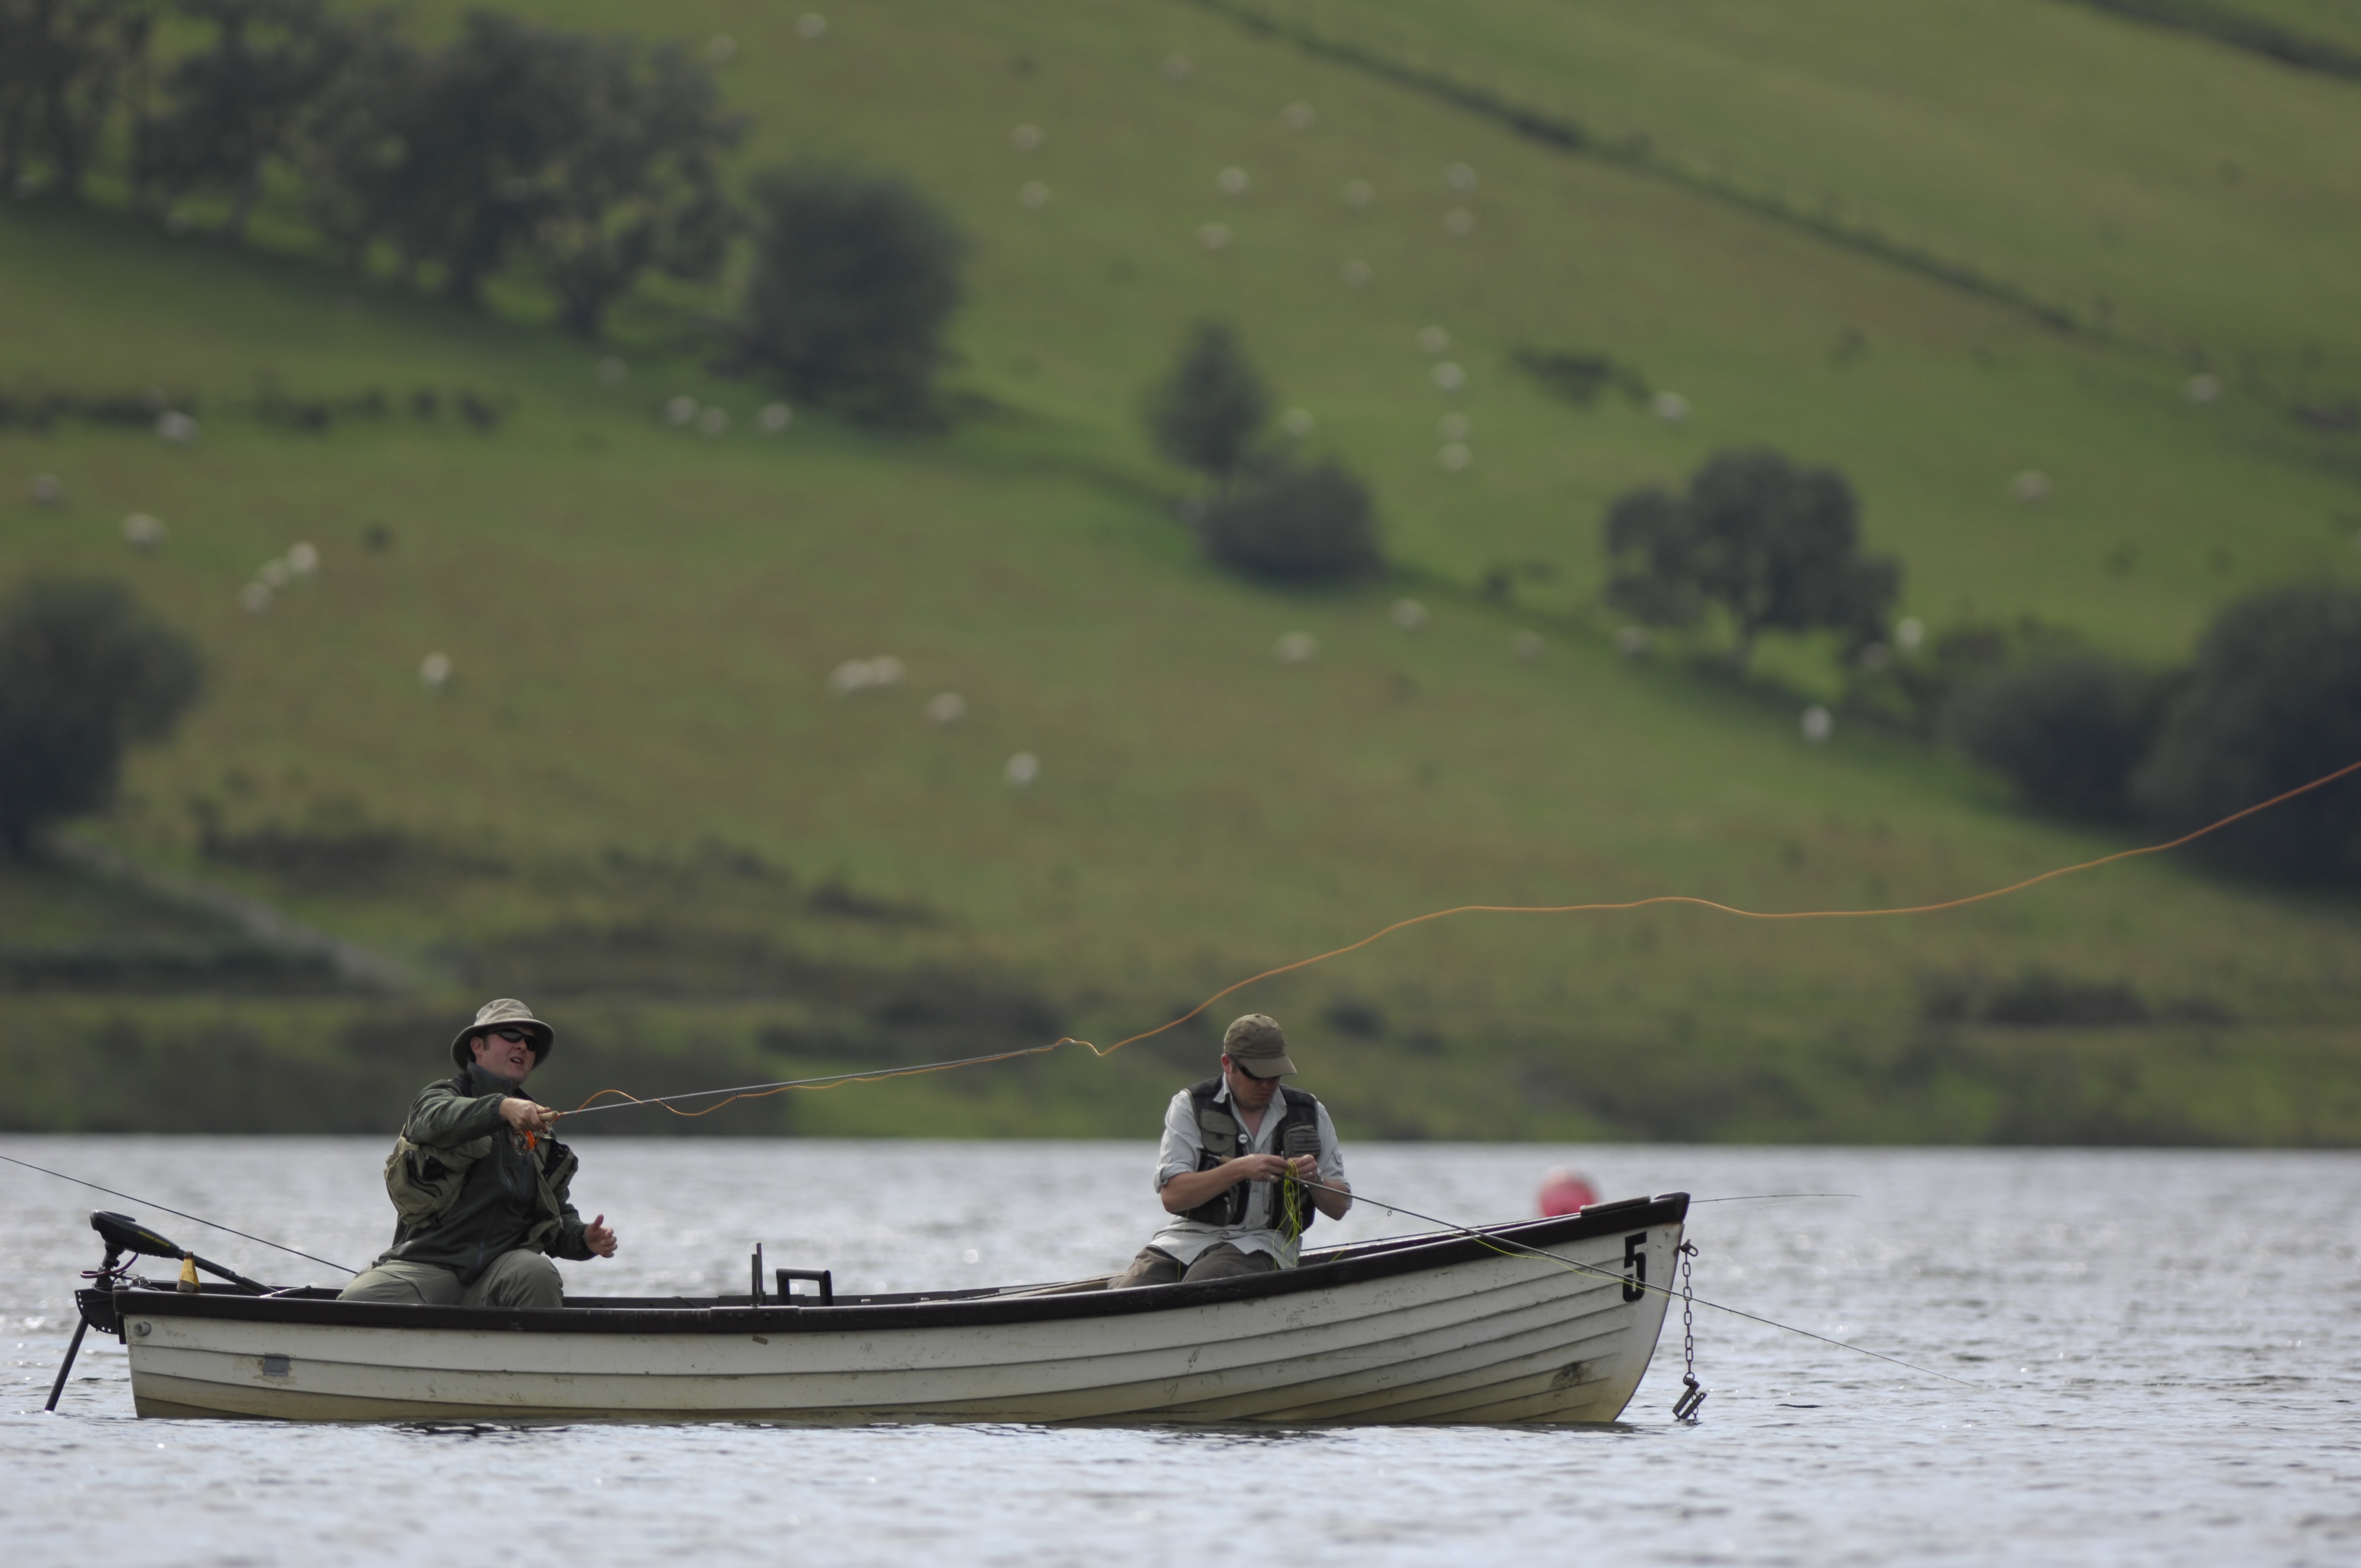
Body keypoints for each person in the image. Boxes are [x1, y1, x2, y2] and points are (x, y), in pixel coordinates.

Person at [339, 998, 616, 1310]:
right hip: (426, 1267)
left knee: (538, 1273)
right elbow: (431, 1119)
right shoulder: (439, 1098)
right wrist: (501, 1107)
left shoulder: (539, 1132)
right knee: (354, 1303)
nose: (523, 1046)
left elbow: (554, 1220)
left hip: (500, 1276)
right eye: (511, 1035)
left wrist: (584, 1240)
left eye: (531, 1042)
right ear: (477, 1046)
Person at [1111, 1013, 1352, 1288]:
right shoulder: (1190, 1105)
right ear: (1228, 1064)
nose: (1267, 1085)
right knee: (1128, 1290)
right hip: (1185, 1241)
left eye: (1275, 1074)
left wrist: (1316, 1179)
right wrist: (1241, 1169)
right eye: (1256, 1075)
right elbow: (1173, 1197)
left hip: (1265, 1246)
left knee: (1204, 1280)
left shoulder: (1311, 1113)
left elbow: (1340, 1207)